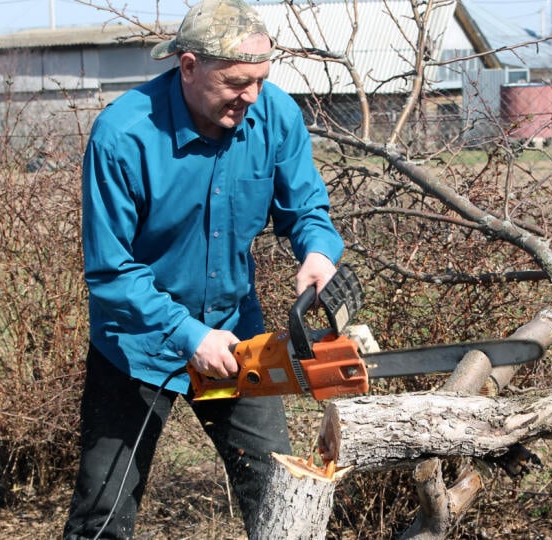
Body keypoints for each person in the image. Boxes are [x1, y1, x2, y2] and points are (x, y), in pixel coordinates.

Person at [62, 0, 344, 537]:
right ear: (188, 66)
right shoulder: (123, 135)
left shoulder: (274, 114)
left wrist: (317, 252)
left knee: (278, 494)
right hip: (136, 346)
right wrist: (188, 334)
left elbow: (306, 209)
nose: (251, 97)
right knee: (104, 512)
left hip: (237, 340)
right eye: (238, 82)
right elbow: (110, 271)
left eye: (261, 80)